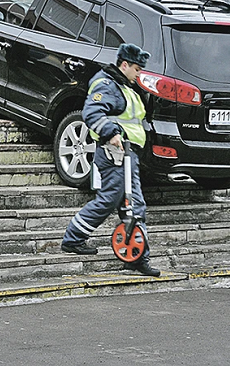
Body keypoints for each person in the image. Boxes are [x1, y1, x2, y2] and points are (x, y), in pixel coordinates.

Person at [60, 43, 160, 277]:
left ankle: (134, 255)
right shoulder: (107, 84)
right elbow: (92, 113)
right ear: (124, 65)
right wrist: (111, 132)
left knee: (127, 205)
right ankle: (133, 256)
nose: (139, 74)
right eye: (136, 69)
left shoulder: (125, 86)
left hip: (126, 154)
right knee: (125, 203)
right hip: (115, 153)